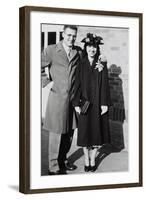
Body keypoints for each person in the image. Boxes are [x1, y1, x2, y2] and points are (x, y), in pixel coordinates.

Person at [41, 25, 82, 174]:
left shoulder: (78, 51)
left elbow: (85, 66)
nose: (71, 38)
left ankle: (63, 161)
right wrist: (47, 82)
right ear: (63, 34)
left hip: (72, 99)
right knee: (56, 132)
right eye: (69, 35)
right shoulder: (51, 50)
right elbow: (34, 65)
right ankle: (53, 166)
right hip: (57, 98)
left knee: (69, 132)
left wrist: (100, 64)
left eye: (74, 36)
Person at [72, 33, 110, 172]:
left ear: (97, 48)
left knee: (96, 133)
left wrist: (104, 103)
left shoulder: (101, 64)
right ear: (86, 47)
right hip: (84, 104)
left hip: (98, 104)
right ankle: (86, 158)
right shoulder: (80, 65)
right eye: (89, 47)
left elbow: (105, 85)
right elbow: (77, 85)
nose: (92, 49)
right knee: (84, 133)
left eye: (94, 47)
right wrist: (76, 103)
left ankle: (93, 159)